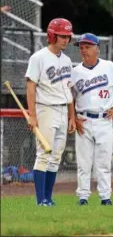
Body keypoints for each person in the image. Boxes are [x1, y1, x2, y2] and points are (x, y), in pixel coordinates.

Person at [71, 33, 113, 206]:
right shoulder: (75, 72)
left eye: (88, 47)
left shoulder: (109, 67)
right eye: (82, 47)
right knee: (84, 162)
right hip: (83, 119)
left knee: (103, 161)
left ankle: (105, 197)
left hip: (104, 119)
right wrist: (73, 117)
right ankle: (83, 197)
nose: (84, 50)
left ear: (97, 49)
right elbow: (70, 97)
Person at [25, 18, 76, 206]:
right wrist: (32, 115)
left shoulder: (67, 60)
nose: (66, 40)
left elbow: (69, 89)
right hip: (46, 109)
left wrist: (72, 115)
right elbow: (31, 87)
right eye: (62, 36)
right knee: (44, 154)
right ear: (52, 35)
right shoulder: (38, 57)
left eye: (68, 36)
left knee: (56, 157)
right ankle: (41, 200)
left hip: (63, 109)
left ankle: (48, 198)